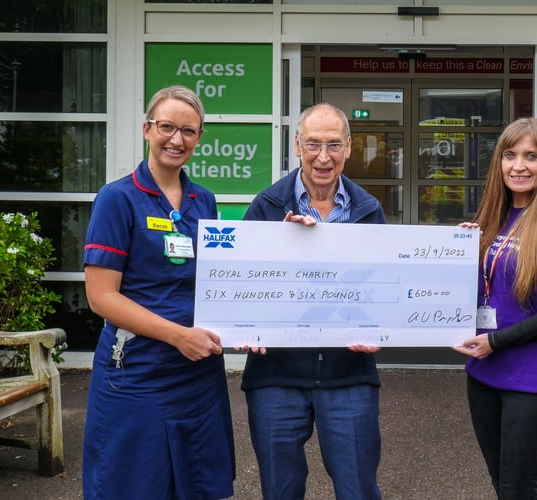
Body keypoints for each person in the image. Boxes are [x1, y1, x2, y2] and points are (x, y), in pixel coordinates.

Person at [82, 85, 235, 499]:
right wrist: (176, 335)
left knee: (197, 483)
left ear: (199, 137)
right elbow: (102, 298)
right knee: (134, 483)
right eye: (167, 127)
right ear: (147, 129)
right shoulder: (117, 199)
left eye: (188, 131)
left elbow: (219, 279)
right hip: (137, 371)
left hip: (197, 373)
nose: (176, 139)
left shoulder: (204, 201)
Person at [241, 102, 386, 500]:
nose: (323, 157)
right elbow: (243, 286)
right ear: (297, 145)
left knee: (358, 490)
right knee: (280, 490)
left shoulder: (369, 210)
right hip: (276, 377)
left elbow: (381, 290)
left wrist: (377, 328)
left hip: (348, 375)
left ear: (350, 148)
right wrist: (283, 248)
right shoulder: (266, 207)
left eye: (334, 145)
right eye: (314, 144)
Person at [453, 117, 537, 499]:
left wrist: (497, 341)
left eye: (531, 156)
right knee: (505, 487)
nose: (519, 166)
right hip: (485, 376)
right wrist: (461, 252)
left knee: (520, 490)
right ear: (498, 162)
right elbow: (489, 289)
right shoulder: (495, 218)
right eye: (510, 155)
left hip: (536, 381)